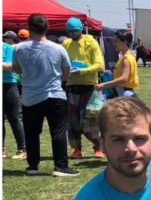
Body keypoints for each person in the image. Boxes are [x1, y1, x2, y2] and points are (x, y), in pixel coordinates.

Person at [11, 13, 79, 177]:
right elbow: (66, 73)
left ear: (29, 28)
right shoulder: (58, 48)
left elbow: (16, 69)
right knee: (58, 131)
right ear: (47, 28)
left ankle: (33, 166)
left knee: (32, 133)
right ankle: (61, 166)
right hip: (55, 94)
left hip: (30, 97)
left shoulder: (19, 48)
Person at [63, 17, 105, 159]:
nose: (71, 34)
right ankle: (77, 149)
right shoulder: (66, 44)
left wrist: (82, 71)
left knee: (92, 119)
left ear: (81, 29)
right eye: (69, 31)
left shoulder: (91, 42)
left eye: (74, 31)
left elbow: (99, 65)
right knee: (73, 122)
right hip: (72, 88)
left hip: (89, 87)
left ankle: (98, 147)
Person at [3, 31, 26, 159]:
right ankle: (1, 150)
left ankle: (22, 149)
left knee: (14, 119)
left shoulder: (8, 48)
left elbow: (8, 66)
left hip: (8, 86)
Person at [95, 29, 139, 98]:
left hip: (125, 95)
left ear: (124, 42)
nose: (114, 44)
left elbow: (124, 78)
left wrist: (104, 84)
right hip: (123, 93)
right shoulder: (125, 57)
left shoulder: (126, 59)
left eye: (116, 41)